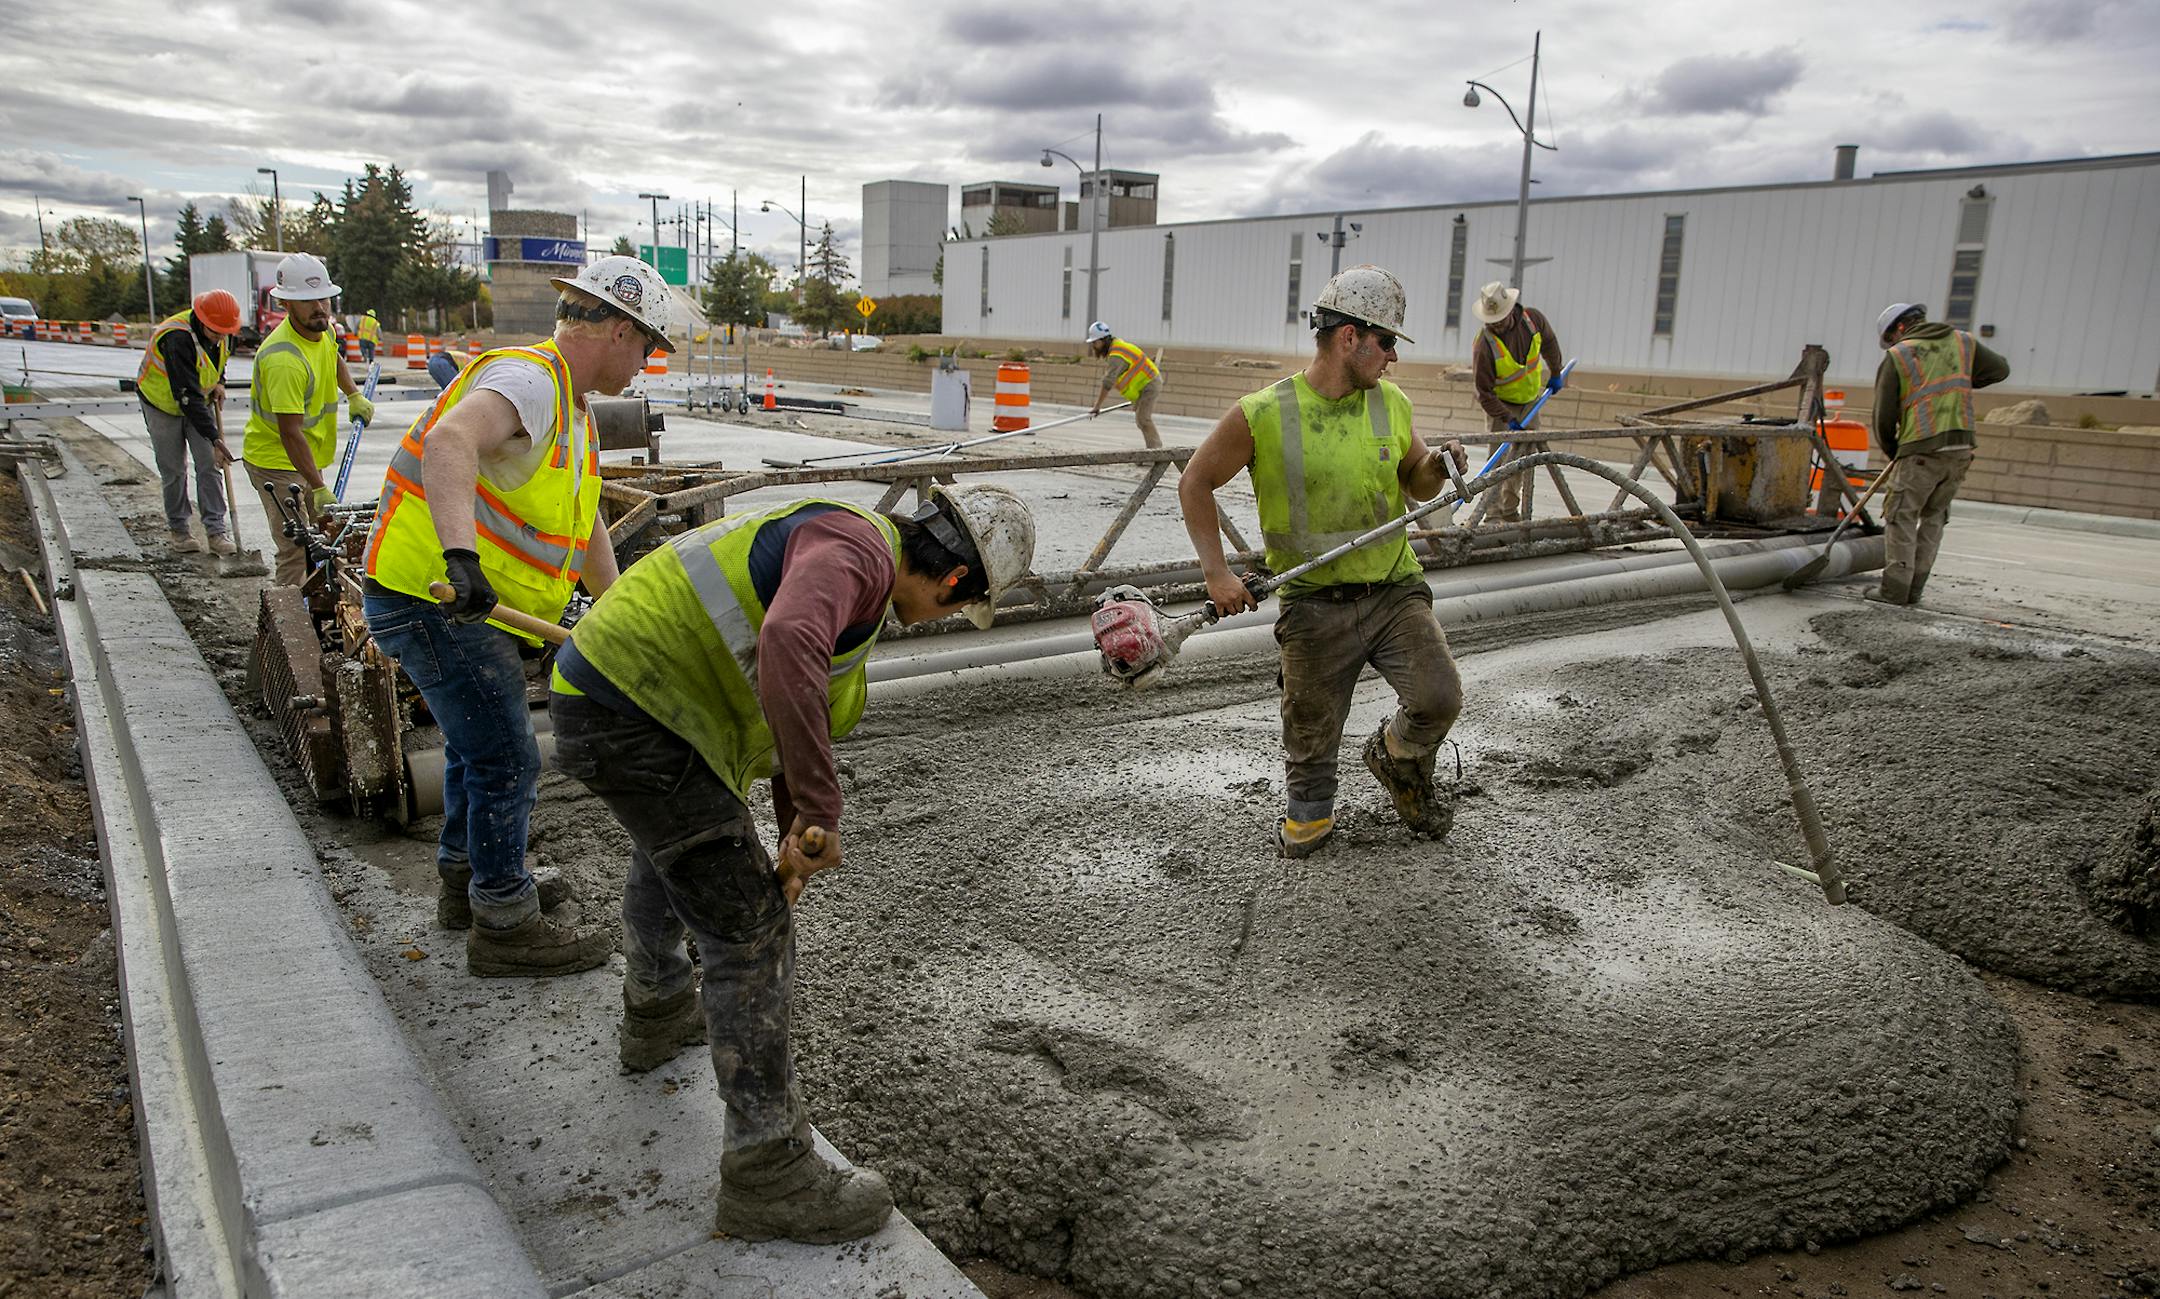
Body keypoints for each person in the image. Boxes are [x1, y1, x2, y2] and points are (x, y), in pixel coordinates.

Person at [549, 482, 1036, 1242]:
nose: (944, 617)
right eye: (957, 607)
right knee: (750, 928)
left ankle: (656, 1009)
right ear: (952, 582)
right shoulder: (860, 555)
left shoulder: (854, 564)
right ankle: (767, 1171)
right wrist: (820, 810)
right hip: (637, 711)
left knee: (678, 851)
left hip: (621, 701)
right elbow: (787, 645)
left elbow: (788, 700)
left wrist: (792, 832)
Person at [361, 255, 670, 974]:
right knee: (508, 755)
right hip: (433, 594)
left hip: (467, 606)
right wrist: (460, 558)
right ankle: (503, 922)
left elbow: (584, 517)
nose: (646, 362)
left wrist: (615, 613)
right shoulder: (532, 381)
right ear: (618, 330)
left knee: (477, 747)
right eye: (647, 345)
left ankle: (466, 882)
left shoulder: (573, 404)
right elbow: (450, 440)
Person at [1177, 265, 1467, 859]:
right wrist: (1217, 574)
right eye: (1387, 342)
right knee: (1308, 795)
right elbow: (1195, 482)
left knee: (1439, 697)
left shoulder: (1391, 404)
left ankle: (1397, 756)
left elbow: (1412, 480)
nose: (1393, 357)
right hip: (1312, 606)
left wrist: (1438, 464)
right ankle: (1309, 826)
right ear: (1349, 337)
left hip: (1392, 590)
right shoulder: (1265, 413)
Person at [240, 253, 376, 586]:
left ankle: (321, 610)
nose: (319, 307)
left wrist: (353, 394)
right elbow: (289, 433)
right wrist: (317, 486)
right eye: (307, 300)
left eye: (323, 298)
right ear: (286, 303)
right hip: (276, 461)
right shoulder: (284, 359)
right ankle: (290, 626)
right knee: (295, 548)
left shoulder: (324, 329)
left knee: (325, 538)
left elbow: (334, 358)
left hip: (305, 456)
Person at [1868, 302, 2009, 606]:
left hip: (1921, 447)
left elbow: (1883, 417)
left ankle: (1894, 591)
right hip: (1961, 448)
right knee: (1934, 516)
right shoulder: (1962, 343)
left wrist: (1896, 452)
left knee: (1901, 515)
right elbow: (2000, 369)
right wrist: (1965, 377)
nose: (1893, 343)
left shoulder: (1899, 356)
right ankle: (1915, 589)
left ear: (1900, 328)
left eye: (1892, 337)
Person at [137, 290, 242, 555]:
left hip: (198, 400)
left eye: (224, 332)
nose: (221, 336)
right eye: (215, 331)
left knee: (209, 465)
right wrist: (215, 438)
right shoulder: (177, 338)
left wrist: (220, 382)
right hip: (161, 403)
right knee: (173, 469)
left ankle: (216, 531)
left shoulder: (226, 332)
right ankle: (180, 530)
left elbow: (220, 361)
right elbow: (187, 397)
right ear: (200, 319)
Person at [1469, 281, 1566, 523]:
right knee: (1498, 461)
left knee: (1523, 461)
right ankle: (1491, 516)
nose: (1496, 325)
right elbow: (1484, 393)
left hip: (1531, 403)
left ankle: (1510, 512)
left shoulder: (1533, 321)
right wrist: (1507, 418)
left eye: (1499, 319)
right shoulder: (1484, 345)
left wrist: (1556, 372)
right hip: (1501, 405)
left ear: (1511, 310)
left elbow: (1551, 344)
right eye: (1491, 321)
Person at [1085, 320, 1164, 448]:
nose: (1094, 346)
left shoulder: (1117, 355)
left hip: (1149, 384)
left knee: (1143, 419)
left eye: (1095, 342)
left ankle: (1156, 452)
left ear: (1103, 340)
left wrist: (1097, 406)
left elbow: (1107, 383)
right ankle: (1153, 451)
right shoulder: (1117, 348)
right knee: (1141, 420)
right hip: (1143, 387)